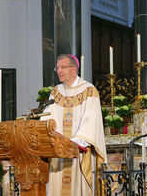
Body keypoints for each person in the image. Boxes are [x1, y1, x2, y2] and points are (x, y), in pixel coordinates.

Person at [41, 54, 107, 196]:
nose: (59, 71)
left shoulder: (89, 90)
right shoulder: (55, 92)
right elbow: (47, 117)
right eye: (57, 67)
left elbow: (91, 121)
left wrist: (72, 144)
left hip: (78, 153)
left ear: (74, 69)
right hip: (57, 155)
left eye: (63, 67)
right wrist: (42, 133)